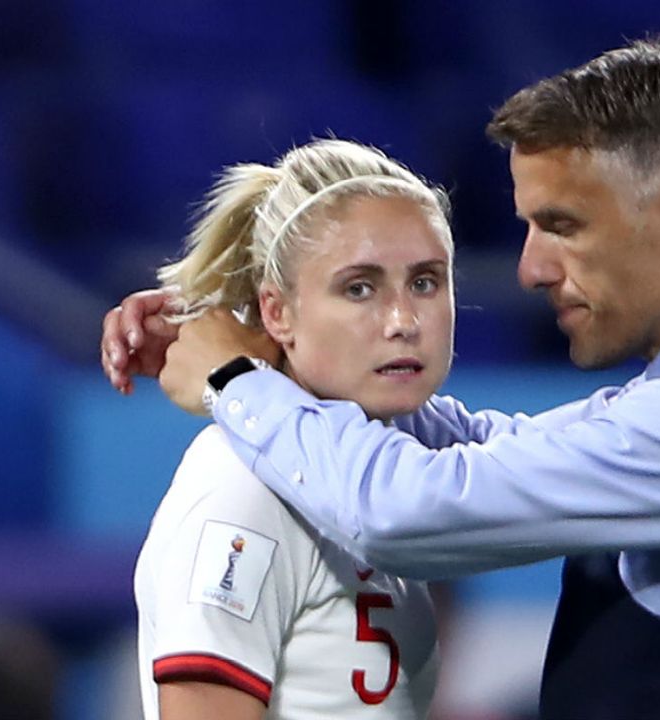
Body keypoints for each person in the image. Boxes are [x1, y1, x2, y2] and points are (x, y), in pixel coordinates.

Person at [103, 32, 660, 719]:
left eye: (562, 226)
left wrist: (238, 379)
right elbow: (478, 447)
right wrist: (280, 362)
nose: (531, 269)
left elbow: (408, 506)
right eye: (358, 287)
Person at [132, 139, 453, 719]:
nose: (404, 321)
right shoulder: (243, 487)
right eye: (360, 288)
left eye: (426, 282)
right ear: (277, 312)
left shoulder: (393, 459)